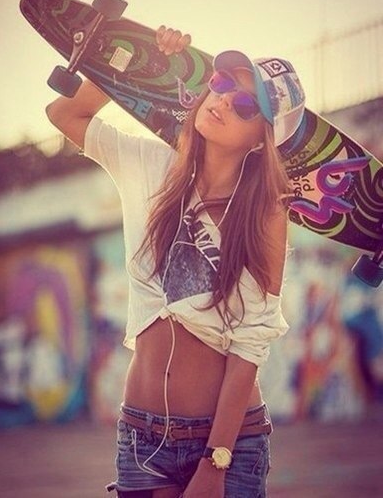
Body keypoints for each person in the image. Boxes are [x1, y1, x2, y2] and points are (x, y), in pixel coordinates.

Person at [46, 26, 306, 498]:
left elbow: (251, 342)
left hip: (228, 444)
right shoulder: (147, 164)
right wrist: (143, 61)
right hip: (141, 439)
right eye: (222, 83)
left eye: (245, 105)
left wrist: (215, 462)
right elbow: (65, 113)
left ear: (261, 139)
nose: (223, 100)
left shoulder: (265, 211)